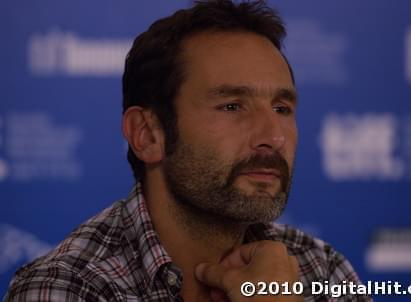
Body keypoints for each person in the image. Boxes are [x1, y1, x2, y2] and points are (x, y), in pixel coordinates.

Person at [5, 1, 371, 301]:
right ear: (147, 135)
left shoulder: (321, 269)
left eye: (282, 109)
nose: (273, 136)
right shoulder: (68, 286)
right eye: (232, 106)